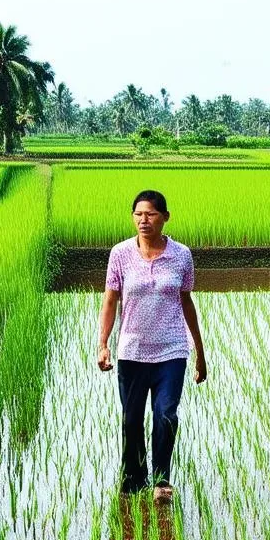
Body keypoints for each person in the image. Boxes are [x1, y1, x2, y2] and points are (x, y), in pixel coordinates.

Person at [97, 190, 206, 503]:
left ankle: (161, 480)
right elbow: (110, 299)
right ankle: (133, 480)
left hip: (171, 350)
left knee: (166, 415)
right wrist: (102, 344)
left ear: (165, 217)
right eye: (138, 214)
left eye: (151, 214)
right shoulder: (120, 254)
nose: (144, 220)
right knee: (131, 420)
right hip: (131, 350)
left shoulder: (182, 254)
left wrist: (200, 351)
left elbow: (187, 301)